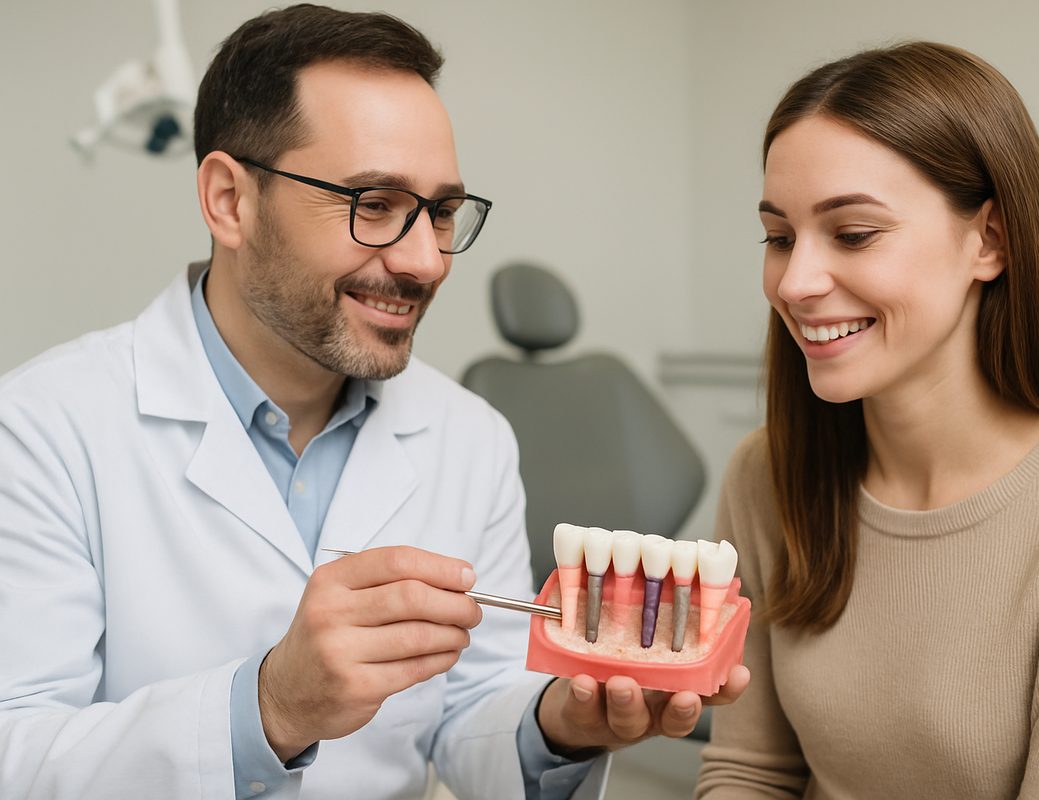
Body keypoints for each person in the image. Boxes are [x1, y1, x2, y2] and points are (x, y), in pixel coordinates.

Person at [0, 5, 747, 799]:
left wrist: (555, 724)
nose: (426, 261)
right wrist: (269, 707)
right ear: (228, 201)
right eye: (374, 205)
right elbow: (15, 751)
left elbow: (472, 708)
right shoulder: (44, 428)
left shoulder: (470, 436)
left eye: (443, 212)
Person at [694, 41, 1039, 799]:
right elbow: (749, 771)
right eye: (779, 237)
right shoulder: (766, 474)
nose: (795, 282)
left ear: (988, 240)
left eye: (854, 233)